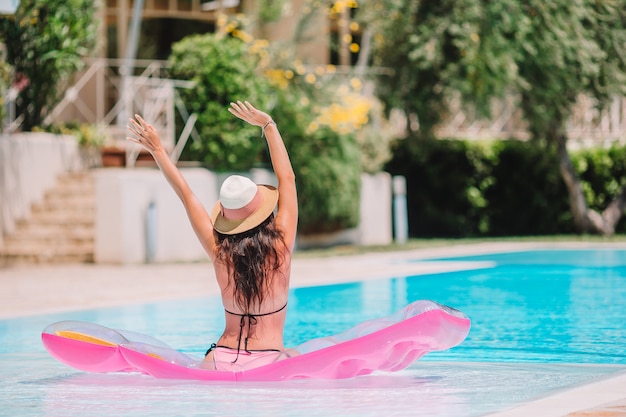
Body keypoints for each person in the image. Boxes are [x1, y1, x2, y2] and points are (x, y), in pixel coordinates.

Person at [127, 101, 298, 370]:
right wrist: (268, 125)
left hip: (218, 358)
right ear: (264, 212)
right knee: (296, 354)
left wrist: (158, 150)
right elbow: (287, 178)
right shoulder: (281, 245)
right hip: (269, 358)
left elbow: (187, 196)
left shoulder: (220, 252)